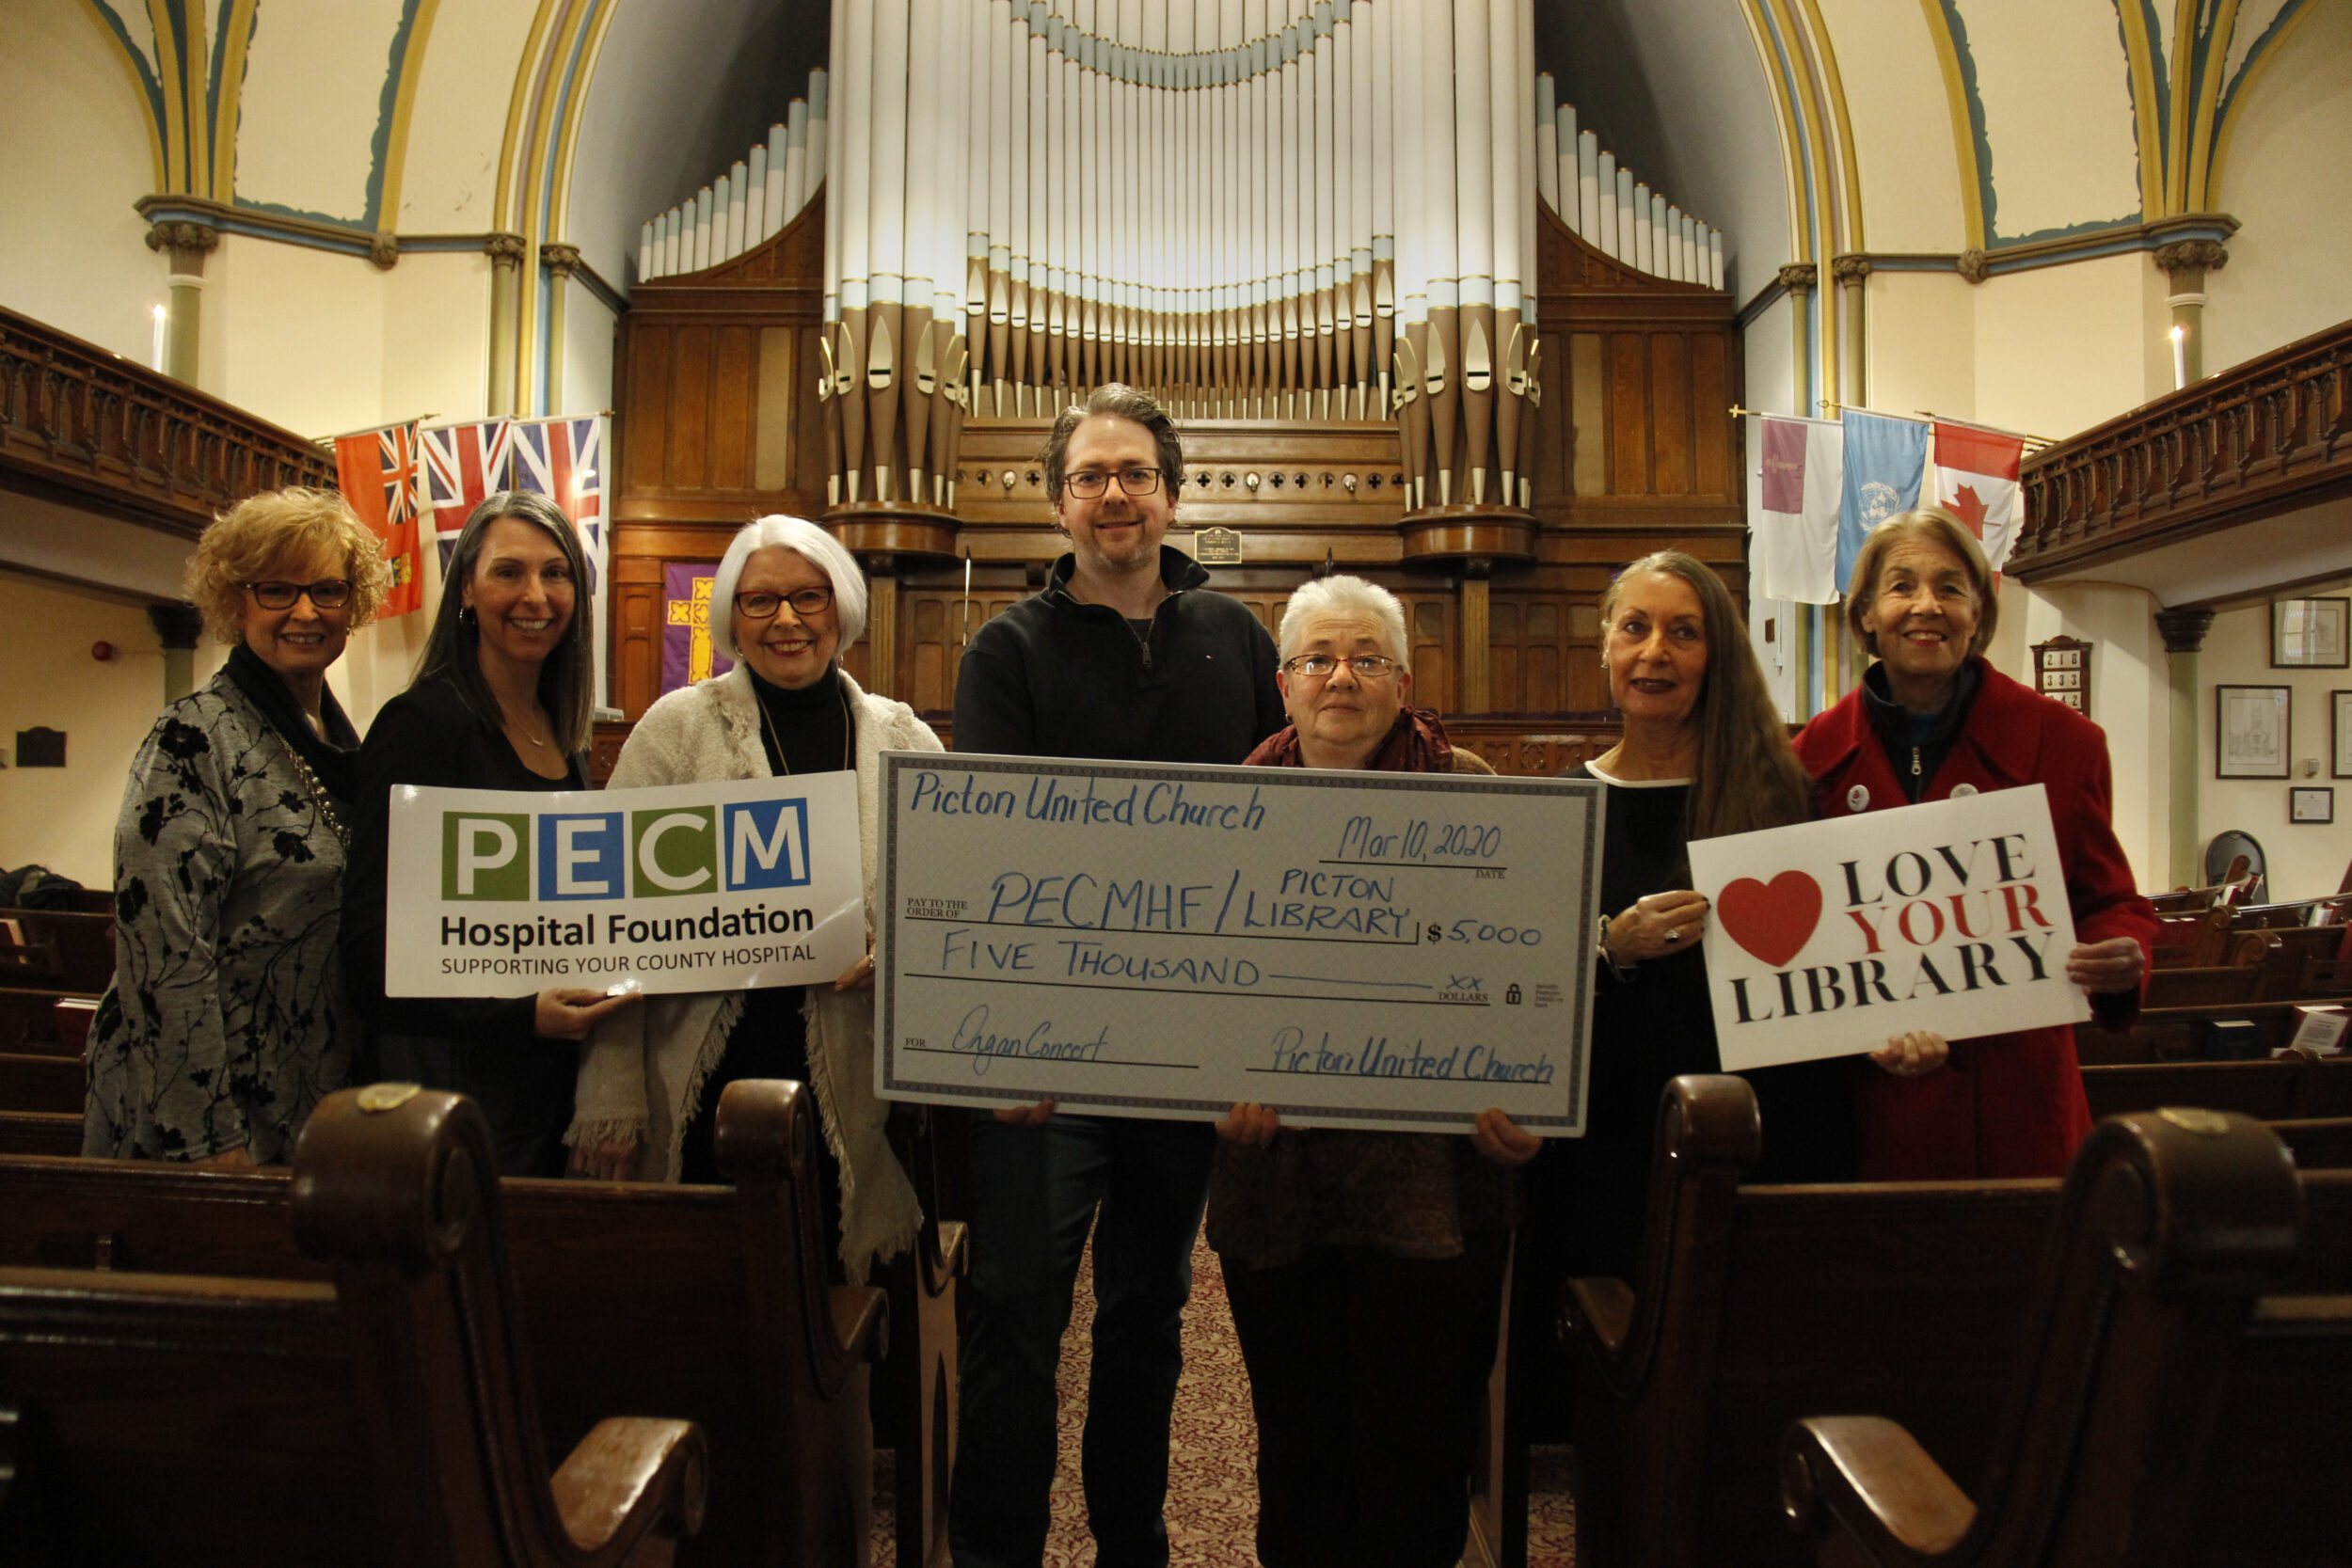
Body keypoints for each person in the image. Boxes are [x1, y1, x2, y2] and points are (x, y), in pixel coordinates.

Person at [949, 384, 1287, 1568]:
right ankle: (997, 1551)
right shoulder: (1005, 648)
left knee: (1148, 1315)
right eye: (1089, 476)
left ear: (1172, 492)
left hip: (1185, 1046)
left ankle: (1130, 1541)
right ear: (1057, 502)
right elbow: (990, 848)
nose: (1113, 495)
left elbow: (1279, 827)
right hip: (1045, 1046)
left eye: (1133, 472)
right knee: (1017, 1313)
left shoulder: (1238, 637)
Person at [1210, 575, 1539, 1568]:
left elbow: (1526, 976)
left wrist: (1529, 1097)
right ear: (1283, 682)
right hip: (1279, 1183)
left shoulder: (1478, 795)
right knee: (1299, 1444)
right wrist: (1209, 1085)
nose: (1339, 676)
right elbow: (1199, 989)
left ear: (1404, 680)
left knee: (1419, 1448)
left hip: (1437, 1190)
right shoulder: (1222, 811)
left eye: (1366, 657)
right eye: (1317, 657)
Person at [567, 515, 930, 1282]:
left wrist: (895, 951)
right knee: (707, 1305)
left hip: (855, 1086)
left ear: (842, 608)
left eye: (809, 596)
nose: (788, 620)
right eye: (761, 601)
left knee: (837, 1316)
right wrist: (613, 1098)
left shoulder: (901, 738)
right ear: (732, 615)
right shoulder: (676, 731)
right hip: (701, 1083)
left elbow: (947, 910)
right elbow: (610, 931)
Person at [1533, 551, 1886, 1285]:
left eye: (1684, 633)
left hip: (1767, 1134)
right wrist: (1610, 945)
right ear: (1605, 643)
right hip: (1607, 1144)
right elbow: (1526, 987)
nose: (1654, 652)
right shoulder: (1562, 808)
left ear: (1715, 655)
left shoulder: (1784, 796)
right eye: (1635, 627)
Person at [1793, 510, 2155, 1179]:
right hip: (1867, 1113)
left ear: (1978, 613)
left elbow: (2110, 899)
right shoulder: (1805, 761)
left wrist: (2122, 948)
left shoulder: (2067, 743)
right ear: (1868, 612)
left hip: (2015, 1104)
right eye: (1902, 586)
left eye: (1951, 588)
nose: (1926, 606)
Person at [84, 487, 389, 1164]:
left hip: (303, 1092)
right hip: (207, 1113)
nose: (306, 611)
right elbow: (163, 953)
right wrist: (208, 1140)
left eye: (327, 589)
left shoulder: (340, 743)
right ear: (236, 600)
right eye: (277, 589)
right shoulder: (193, 739)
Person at [342, 491, 636, 1177]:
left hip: (540, 1089)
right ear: (467, 589)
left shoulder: (560, 735)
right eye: (509, 571)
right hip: (451, 1098)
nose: (535, 594)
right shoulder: (422, 726)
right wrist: (519, 1013)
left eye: (556, 573)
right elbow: (367, 950)